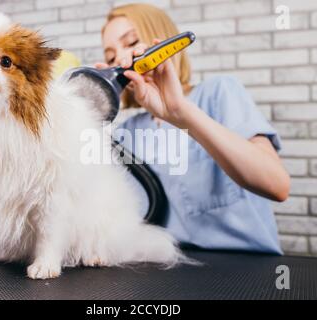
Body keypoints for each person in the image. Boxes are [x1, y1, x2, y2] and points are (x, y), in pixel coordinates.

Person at [96, 3, 290, 254]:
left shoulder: (219, 93)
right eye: (111, 57)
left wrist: (181, 113)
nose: (121, 60)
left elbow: (278, 186)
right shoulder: (128, 132)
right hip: (172, 270)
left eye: (132, 42)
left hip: (244, 268)